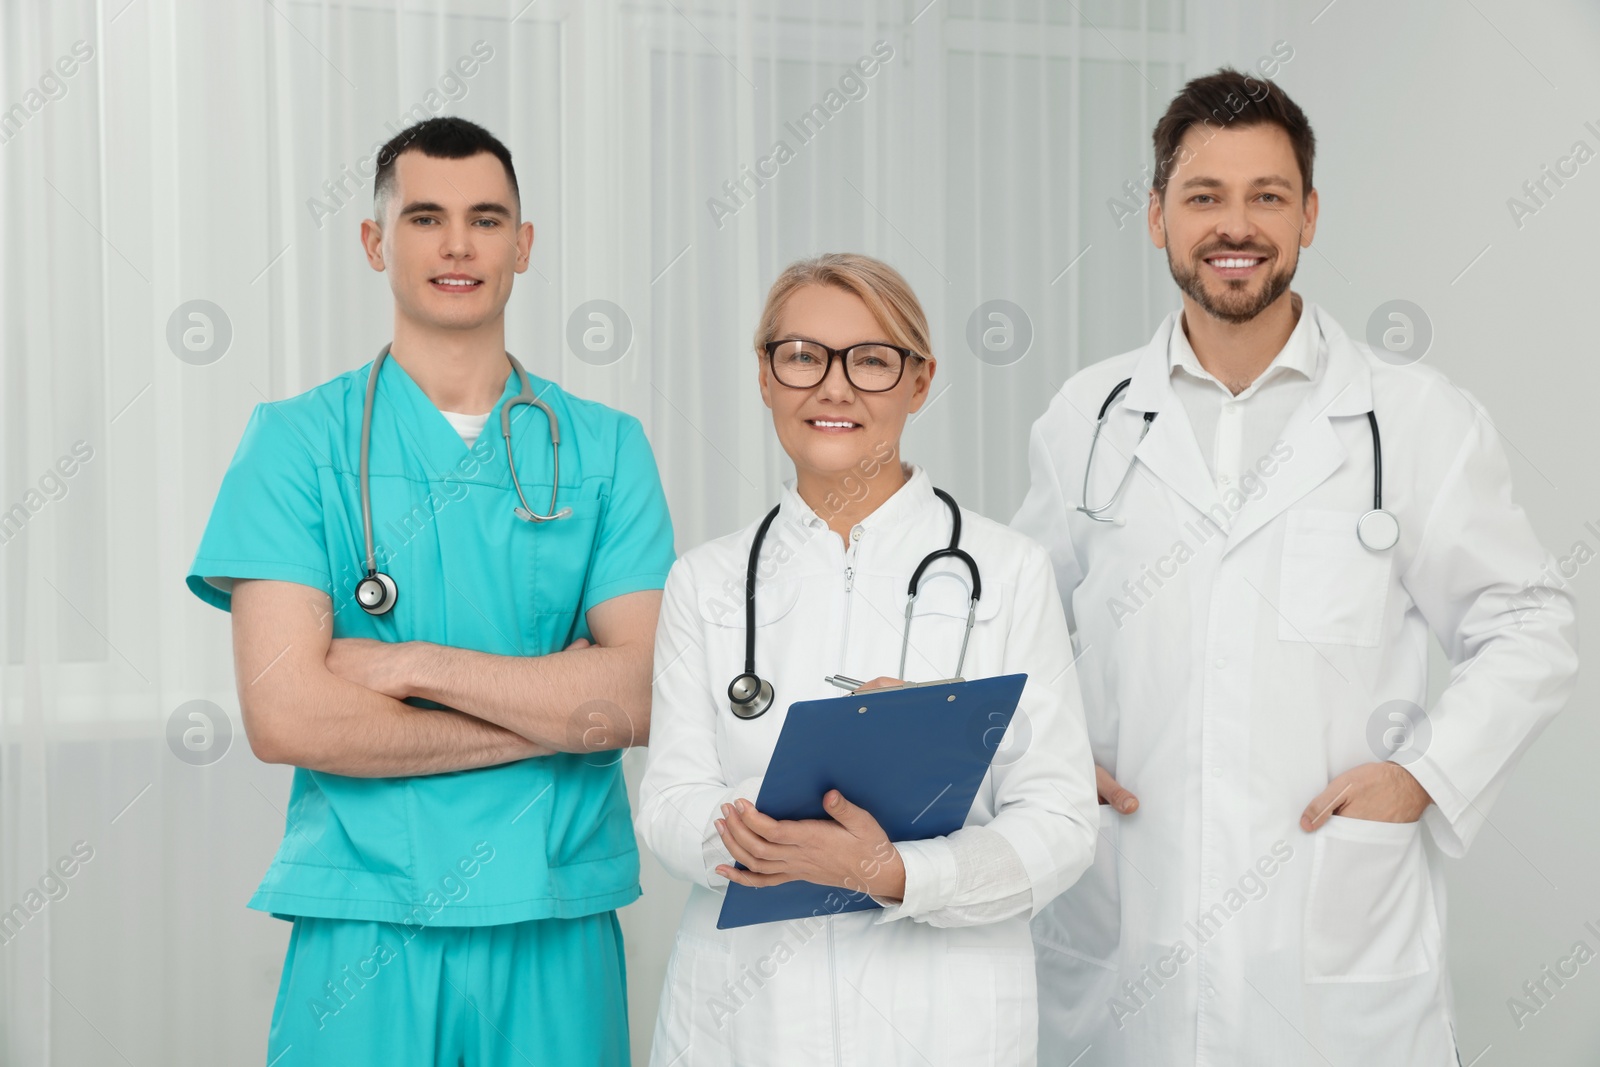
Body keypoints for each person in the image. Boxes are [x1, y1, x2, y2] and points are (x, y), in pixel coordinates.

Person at [1013, 69, 1579, 1067]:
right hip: (1123, 929)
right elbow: (1015, 626)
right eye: (1204, 196)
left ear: (1309, 214)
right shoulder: (1087, 417)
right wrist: (1049, 757)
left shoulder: (1412, 419)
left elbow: (1529, 622)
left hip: (1330, 953)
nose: (1236, 225)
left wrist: (1422, 773)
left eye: (1267, 195)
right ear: (1154, 217)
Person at [185, 117, 674, 1065]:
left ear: (523, 246)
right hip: (365, 920)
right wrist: (549, 712)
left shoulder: (605, 449)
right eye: (425, 218)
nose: (458, 244)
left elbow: (641, 696)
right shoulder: (296, 444)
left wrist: (410, 663)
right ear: (375, 242)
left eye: (487, 219)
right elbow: (291, 718)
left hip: (556, 911)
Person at [636, 253, 1099, 1066]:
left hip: (944, 1022)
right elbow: (669, 803)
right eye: (804, 355)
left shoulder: (1008, 569)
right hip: (748, 1020)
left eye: (872, 360)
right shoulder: (706, 580)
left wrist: (895, 872)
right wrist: (770, 833)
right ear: (766, 375)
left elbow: (1061, 824)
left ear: (920, 383)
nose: (835, 387)